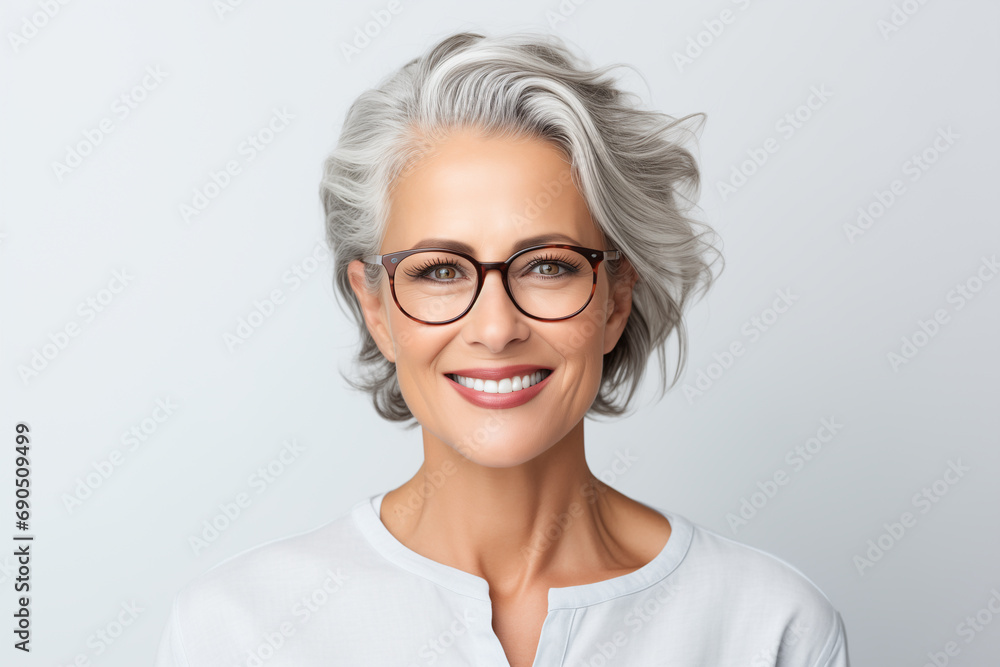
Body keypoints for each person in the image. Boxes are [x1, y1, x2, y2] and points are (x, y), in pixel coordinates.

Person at [155, 31, 850, 666]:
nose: (495, 327)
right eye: (439, 270)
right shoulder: (233, 632)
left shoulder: (767, 626)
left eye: (547, 264)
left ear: (616, 298)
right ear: (377, 307)